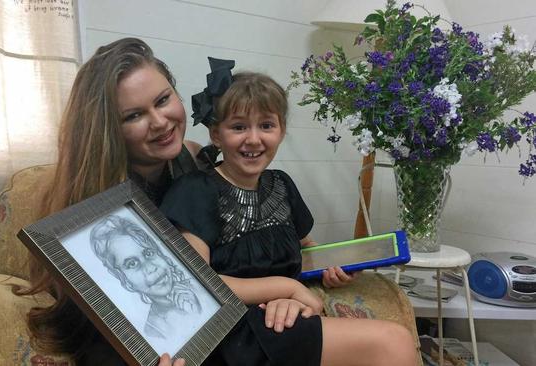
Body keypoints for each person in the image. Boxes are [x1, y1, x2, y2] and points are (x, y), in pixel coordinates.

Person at [159, 58, 418, 366]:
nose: (253, 139)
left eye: (266, 125)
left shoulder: (281, 184)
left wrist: (333, 268)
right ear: (217, 135)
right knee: (393, 342)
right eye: (239, 127)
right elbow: (198, 283)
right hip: (235, 328)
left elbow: (307, 250)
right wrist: (289, 288)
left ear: (281, 131)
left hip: (286, 314)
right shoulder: (195, 191)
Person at [17, 37, 197, 365]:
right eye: (133, 116)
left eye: (163, 99)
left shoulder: (195, 159)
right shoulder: (88, 202)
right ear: (108, 129)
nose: (159, 122)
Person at [89, 215, 202, 339]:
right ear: (123, 278)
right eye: (132, 264)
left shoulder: (202, 290)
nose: (150, 268)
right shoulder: (154, 332)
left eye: (149, 253)